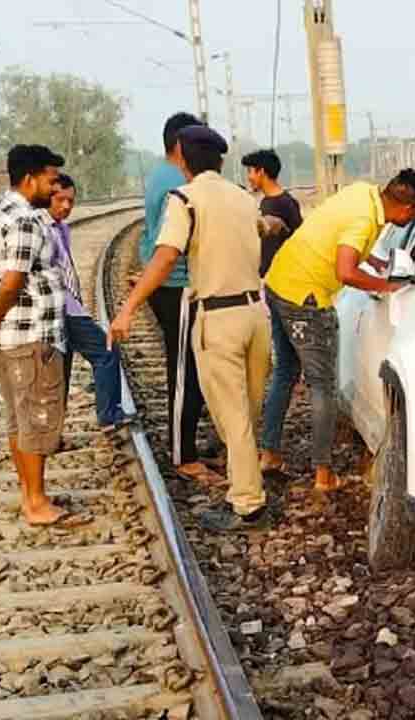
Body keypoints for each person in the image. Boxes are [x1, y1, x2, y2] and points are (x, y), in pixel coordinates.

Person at [109, 126, 275, 531]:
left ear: (180, 156)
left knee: (231, 416)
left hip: (218, 319)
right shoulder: (242, 197)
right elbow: (262, 229)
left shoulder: (185, 200)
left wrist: (128, 308)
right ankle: (246, 485)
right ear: (220, 160)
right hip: (256, 314)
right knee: (247, 413)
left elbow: (165, 258)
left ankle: (247, 505)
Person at [260, 169, 415, 492]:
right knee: (323, 386)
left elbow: (343, 242)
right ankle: (323, 475)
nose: (413, 219)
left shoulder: (363, 193)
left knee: (284, 373)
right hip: (305, 297)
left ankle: (269, 453)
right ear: (409, 209)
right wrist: (386, 285)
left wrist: (375, 264)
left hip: (280, 281)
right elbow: (345, 270)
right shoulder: (366, 221)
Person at [0, 173, 134, 435]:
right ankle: (109, 415)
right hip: (58, 309)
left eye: (71, 201)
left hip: (66, 308)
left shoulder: (62, 228)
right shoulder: (36, 225)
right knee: (106, 351)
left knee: (60, 372)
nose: (66, 206)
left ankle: (52, 433)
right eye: (60, 199)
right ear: (47, 197)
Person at [0, 144, 81, 528]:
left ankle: (29, 493)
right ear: (30, 177)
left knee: (20, 418)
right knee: (36, 416)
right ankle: (36, 503)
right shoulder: (26, 220)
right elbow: (13, 280)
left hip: (10, 338)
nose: (54, 189)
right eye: (51, 180)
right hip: (30, 333)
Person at [141, 112, 218, 482]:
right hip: (177, 285)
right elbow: (167, 242)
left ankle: (187, 445)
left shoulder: (162, 174)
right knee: (185, 370)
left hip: (173, 284)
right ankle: (183, 454)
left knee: (188, 366)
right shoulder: (176, 181)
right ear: (180, 146)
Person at [241, 149, 303, 277]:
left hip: (281, 277)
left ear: (261, 172)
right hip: (271, 276)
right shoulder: (268, 202)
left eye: (250, 172)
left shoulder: (284, 203)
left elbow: (298, 241)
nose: (248, 178)